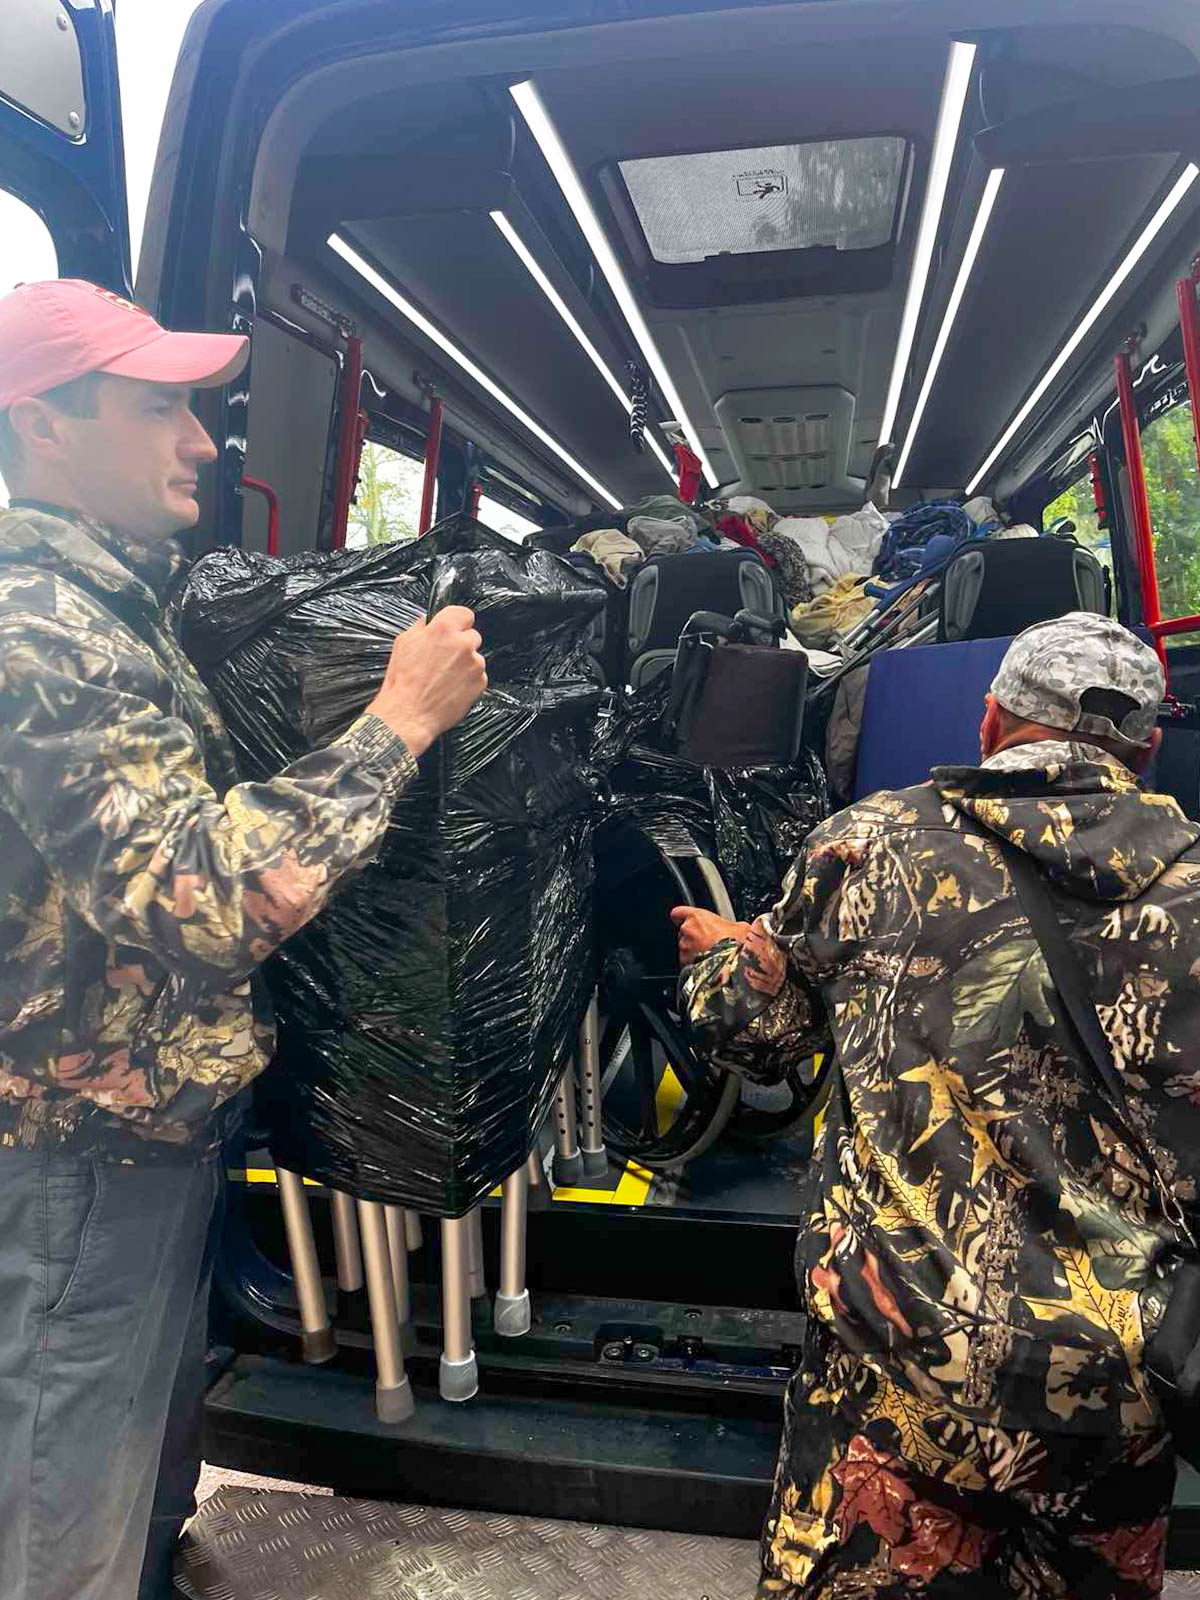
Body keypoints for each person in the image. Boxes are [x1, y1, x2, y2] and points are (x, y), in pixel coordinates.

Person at [0, 278, 488, 1600]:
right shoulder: (40, 632)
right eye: (157, 408)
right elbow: (200, 898)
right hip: (78, 1152)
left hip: (137, 1132)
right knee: (63, 1511)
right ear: (42, 424)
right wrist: (398, 723)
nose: (201, 441)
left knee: (132, 1478)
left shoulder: (111, 609)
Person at [674, 613, 1200, 1598]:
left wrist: (723, 959)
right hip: (1126, 1382)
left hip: (900, 1361)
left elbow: (757, 1035)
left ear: (991, 720)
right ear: (1146, 750)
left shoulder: (871, 845)